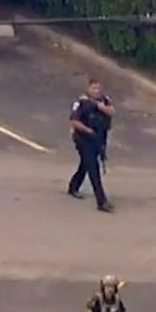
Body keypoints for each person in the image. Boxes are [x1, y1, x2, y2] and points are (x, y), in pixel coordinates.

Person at [67, 78, 115, 213]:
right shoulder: (81, 103)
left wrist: (99, 106)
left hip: (98, 140)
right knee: (94, 169)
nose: (97, 91)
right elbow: (74, 121)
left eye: (98, 88)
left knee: (85, 165)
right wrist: (88, 131)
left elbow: (112, 111)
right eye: (94, 88)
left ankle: (73, 186)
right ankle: (102, 201)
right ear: (88, 89)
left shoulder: (104, 100)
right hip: (84, 139)